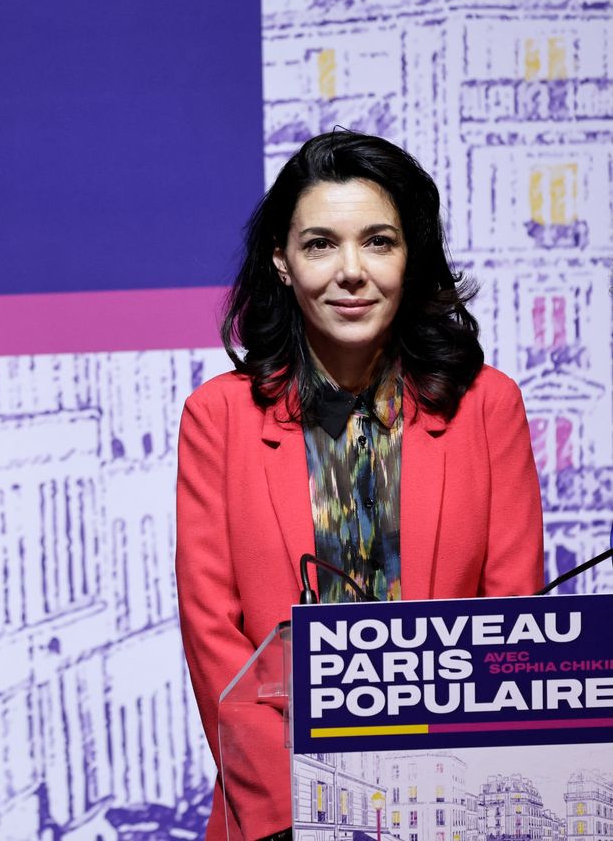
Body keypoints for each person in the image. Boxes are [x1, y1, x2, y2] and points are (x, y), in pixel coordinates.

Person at [175, 130, 544, 841]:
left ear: (412, 258)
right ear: (282, 262)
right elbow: (216, 644)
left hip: (455, 808)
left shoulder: (488, 405)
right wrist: (302, 816)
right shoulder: (217, 417)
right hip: (279, 817)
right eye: (319, 244)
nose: (351, 271)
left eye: (378, 241)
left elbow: (511, 627)